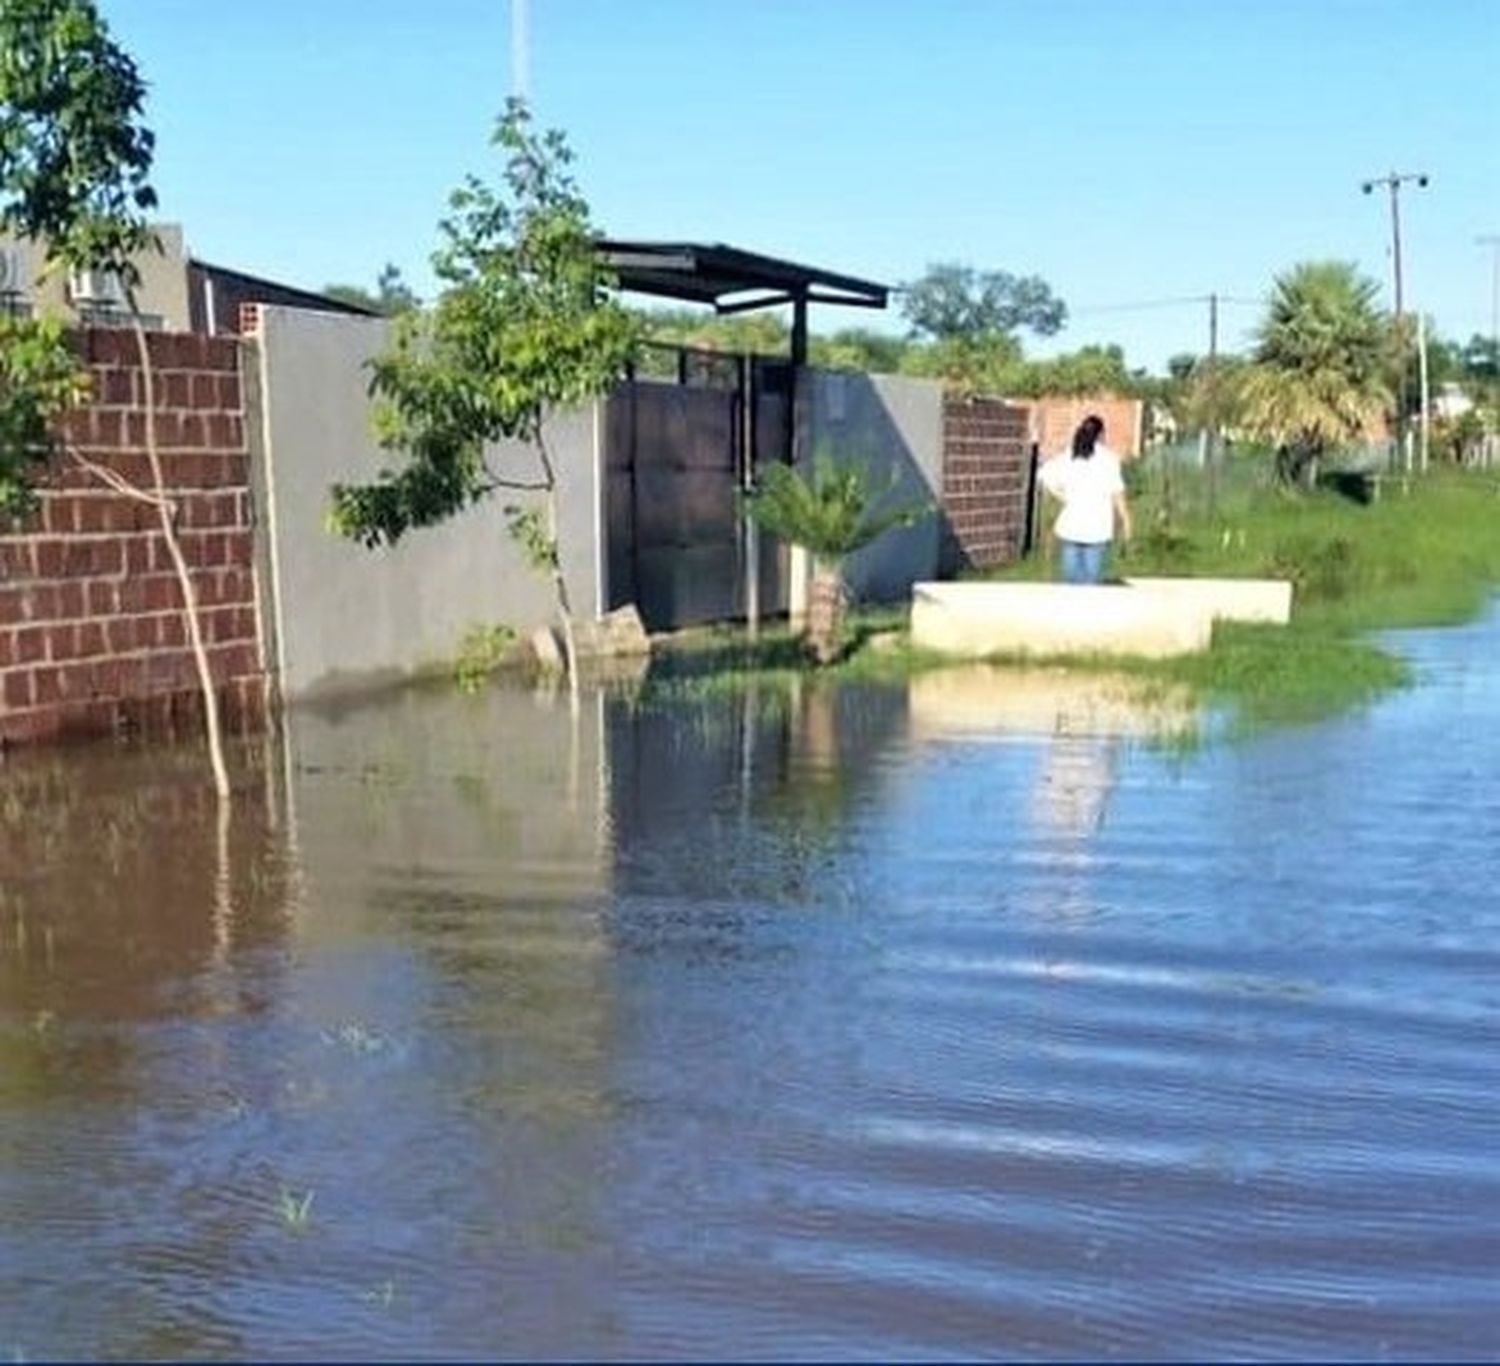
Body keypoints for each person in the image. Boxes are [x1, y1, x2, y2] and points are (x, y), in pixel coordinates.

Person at [1037, 414, 1132, 585]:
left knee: (1071, 582)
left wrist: (1061, 496)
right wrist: (1126, 522)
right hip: (1098, 529)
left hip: (1071, 526)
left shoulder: (1070, 456)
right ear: (1102, 434)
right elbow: (1117, 493)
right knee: (1090, 584)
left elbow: (1044, 476)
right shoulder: (1109, 460)